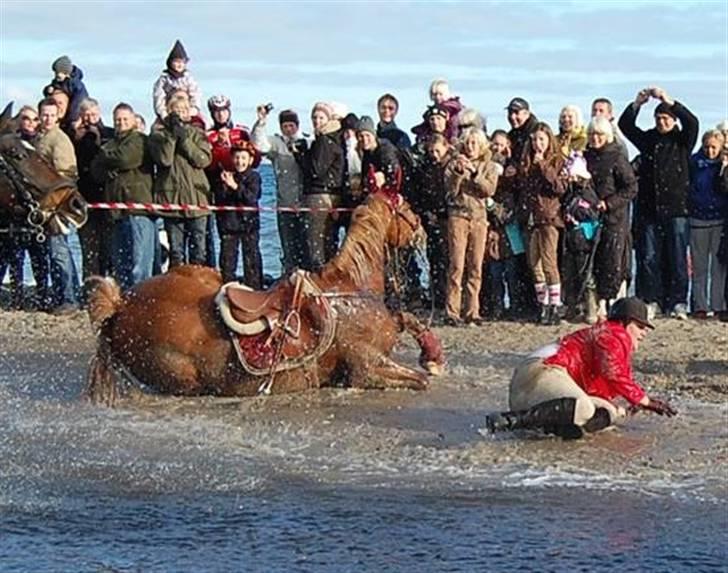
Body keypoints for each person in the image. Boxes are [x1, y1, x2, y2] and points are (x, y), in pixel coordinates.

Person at [486, 296, 678, 440]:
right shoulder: (613, 333)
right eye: (640, 325)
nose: (644, 332)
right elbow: (612, 372)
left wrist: (630, 406)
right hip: (541, 371)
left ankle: (555, 429)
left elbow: (609, 382)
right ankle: (510, 421)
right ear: (624, 322)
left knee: (609, 412)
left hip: (537, 388)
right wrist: (643, 399)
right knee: (584, 407)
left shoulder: (611, 340)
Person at [618, 86, 699, 321]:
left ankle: (678, 301)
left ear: (673, 120)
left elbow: (692, 122)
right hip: (649, 209)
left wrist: (668, 101)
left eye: (666, 118)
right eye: (659, 118)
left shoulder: (683, 140)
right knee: (649, 257)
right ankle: (652, 300)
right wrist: (637, 104)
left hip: (677, 209)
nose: (662, 122)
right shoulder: (649, 139)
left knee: (677, 257)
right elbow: (626, 127)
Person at [91, 103, 157, 290]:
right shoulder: (111, 144)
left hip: (137, 209)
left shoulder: (139, 140)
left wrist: (106, 157)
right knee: (121, 264)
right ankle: (125, 300)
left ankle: (141, 300)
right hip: (115, 211)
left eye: (124, 119)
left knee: (139, 264)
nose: (120, 123)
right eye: (117, 120)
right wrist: (106, 167)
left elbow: (127, 159)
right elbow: (96, 170)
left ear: (133, 120)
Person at [584, 116, 638, 321]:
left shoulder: (617, 157)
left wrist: (609, 203)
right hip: (589, 217)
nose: (595, 138)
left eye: (599, 134)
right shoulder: (584, 156)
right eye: (592, 134)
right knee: (591, 261)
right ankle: (594, 304)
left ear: (607, 136)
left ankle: (612, 304)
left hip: (614, 218)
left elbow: (631, 187)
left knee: (613, 262)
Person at [148, 93, 212, 267]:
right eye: (177, 110)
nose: (181, 113)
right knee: (176, 253)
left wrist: (184, 139)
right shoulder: (157, 136)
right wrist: (172, 136)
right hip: (172, 199)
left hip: (197, 199)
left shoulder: (197, 133)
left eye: (184, 110)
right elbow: (165, 159)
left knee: (199, 252)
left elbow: (203, 160)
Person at [443, 128, 499, 326]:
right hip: (458, 216)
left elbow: (488, 190)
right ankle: (452, 310)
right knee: (457, 265)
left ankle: (472, 311)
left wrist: (475, 173)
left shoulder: (489, 166)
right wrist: (458, 173)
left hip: (479, 217)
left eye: (475, 143)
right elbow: (450, 192)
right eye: (468, 143)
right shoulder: (452, 164)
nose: (471, 147)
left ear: (482, 145)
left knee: (476, 266)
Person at [515, 122, 566, 325]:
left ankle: (555, 305)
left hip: (549, 217)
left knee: (549, 262)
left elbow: (559, 188)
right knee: (534, 263)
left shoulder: (557, 160)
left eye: (542, 139)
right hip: (531, 218)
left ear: (549, 140)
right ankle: (542, 305)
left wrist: (543, 165)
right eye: (535, 139)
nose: (538, 143)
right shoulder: (526, 161)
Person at [35, 97, 80, 314]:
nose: (48, 118)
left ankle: (69, 298)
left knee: (59, 251)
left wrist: (53, 202)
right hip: (43, 206)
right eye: (44, 114)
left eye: (52, 115)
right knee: (53, 252)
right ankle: (61, 295)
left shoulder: (59, 140)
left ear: (58, 116)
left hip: (57, 205)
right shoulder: (39, 139)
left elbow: (66, 175)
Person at [252, 105, 309, 274]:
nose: (289, 129)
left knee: (307, 249)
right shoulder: (277, 143)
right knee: (288, 248)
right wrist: (261, 122)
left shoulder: (308, 141)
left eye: (292, 125)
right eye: (285, 126)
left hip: (306, 205)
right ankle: (288, 278)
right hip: (285, 205)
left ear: (297, 126)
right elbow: (259, 144)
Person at [205, 94, 252, 268]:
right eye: (216, 111)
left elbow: (254, 160)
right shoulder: (208, 136)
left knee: (250, 244)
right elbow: (207, 165)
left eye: (224, 110)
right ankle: (226, 278)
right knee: (227, 243)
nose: (220, 115)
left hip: (243, 188)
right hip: (222, 191)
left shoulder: (241, 132)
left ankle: (254, 283)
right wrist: (219, 147)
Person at [72, 97, 114, 280]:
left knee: (109, 248)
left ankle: (110, 285)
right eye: (87, 114)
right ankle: (90, 287)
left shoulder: (110, 134)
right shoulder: (76, 137)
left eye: (94, 114)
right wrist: (75, 134)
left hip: (107, 197)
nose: (90, 118)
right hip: (86, 198)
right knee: (89, 249)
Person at [688, 129, 727, 318]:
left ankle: (718, 304)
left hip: (719, 219)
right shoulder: (695, 163)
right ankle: (700, 305)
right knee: (699, 266)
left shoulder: (724, 165)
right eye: (707, 147)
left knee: (718, 268)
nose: (710, 151)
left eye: (714, 147)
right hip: (698, 219)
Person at [301, 102, 345, 270]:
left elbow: (315, 170)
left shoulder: (325, 139)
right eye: (314, 117)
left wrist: (301, 155)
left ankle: (320, 278)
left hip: (320, 195)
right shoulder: (334, 137)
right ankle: (327, 276)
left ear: (328, 119)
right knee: (328, 239)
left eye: (321, 117)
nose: (317, 121)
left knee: (317, 242)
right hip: (331, 194)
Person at [215, 141, 263, 288]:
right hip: (230, 225)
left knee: (252, 260)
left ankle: (255, 288)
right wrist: (224, 184)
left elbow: (252, 197)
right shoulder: (227, 176)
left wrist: (235, 186)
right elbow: (220, 200)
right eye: (236, 158)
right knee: (227, 261)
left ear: (250, 160)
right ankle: (228, 289)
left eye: (243, 158)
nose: (239, 162)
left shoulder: (254, 177)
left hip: (249, 225)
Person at [152, 40, 202, 123]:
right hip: (169, 111)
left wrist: (194, 109)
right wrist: (163, 113)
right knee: (156, 129)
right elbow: (158, 96)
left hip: (187, 110)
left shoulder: (189, 78)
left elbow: (196, 94)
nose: (179, 64)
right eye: (176, 61)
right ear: (170, 62)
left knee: (202, 124)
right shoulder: (164, 79)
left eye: (182, 62)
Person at [43, 55, 89, 127]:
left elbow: (79, 101)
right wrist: (48, 90)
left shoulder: (76, 85)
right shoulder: (58, 82)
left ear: (66, 73)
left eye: (59, 72)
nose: (57, 75)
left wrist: (73, 117)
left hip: (73, 115)